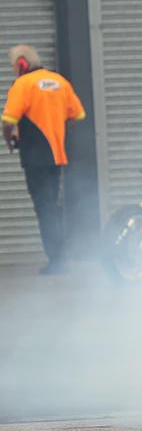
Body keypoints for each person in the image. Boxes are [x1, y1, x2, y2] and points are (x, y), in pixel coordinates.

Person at [1, 45, 86, 275]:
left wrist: (9, 139)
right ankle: (62, 257)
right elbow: (78, 114)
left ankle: (57, 261)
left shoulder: (23, 84)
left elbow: (8, 120)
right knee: (54, 205)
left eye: (12, 66)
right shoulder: (59, 80)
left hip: (35, 156)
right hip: (57, 155)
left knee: (45, 207)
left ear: (21, 63)